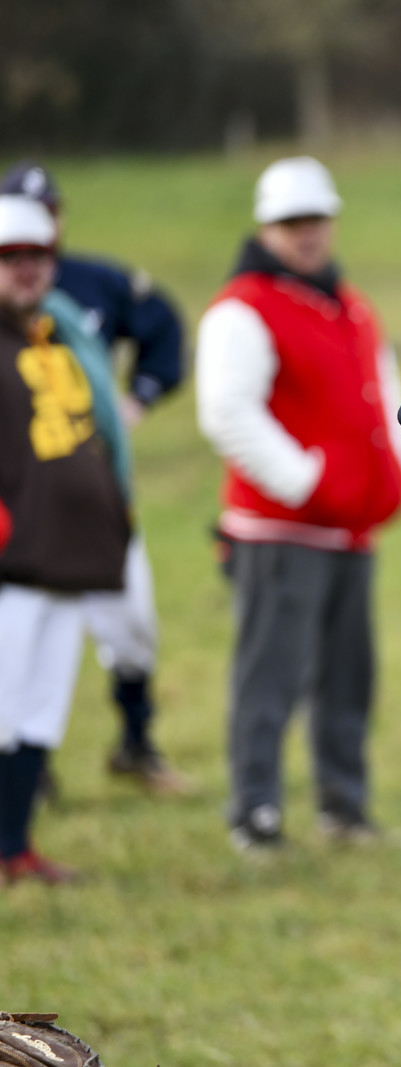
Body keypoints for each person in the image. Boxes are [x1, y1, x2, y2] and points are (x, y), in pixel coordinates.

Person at [195, 157, 401, 853]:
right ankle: (254, 811)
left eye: (316, 218)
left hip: (348, 529)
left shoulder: (347, 302)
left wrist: (393, 472)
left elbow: (377, 388)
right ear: (267, 227)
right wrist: (305, 482)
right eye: (292, 222)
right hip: (282, 530)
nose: (307, 233)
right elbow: (228, 411)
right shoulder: (245, 306)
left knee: (350, 676)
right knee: (271, 675)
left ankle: (343, 806)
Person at [1, 159, 188, 794]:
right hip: (23, 521)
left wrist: (140, 395)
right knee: (23, 663)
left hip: (98, 503)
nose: (28, 255)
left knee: (133, 629)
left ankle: (135, 742)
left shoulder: (83, 290)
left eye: (46, 218)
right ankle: (29, 781)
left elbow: (163, 327)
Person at [0, 195, 134, 884]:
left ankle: (15, 848)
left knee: (38, 714)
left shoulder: (53, 337)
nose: (26, 271)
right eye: (10, 258)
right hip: (12, 566)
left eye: (37, 257)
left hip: (69, 559)